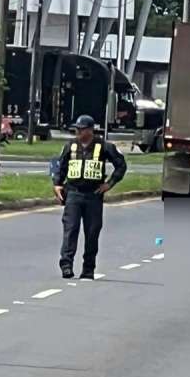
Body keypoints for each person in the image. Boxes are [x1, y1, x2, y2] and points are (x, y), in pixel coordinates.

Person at [52, 115, 127, 279]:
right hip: (73, 193)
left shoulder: (104, 146)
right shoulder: (70, 146)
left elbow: (121, 165)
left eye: (82, 129)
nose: (78, 132)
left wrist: (109, 183)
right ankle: (66, 265)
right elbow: (60, 166)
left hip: (93, 195)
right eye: (77, 129)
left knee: (92, 232)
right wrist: (57, 184)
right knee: (70, 229)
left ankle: (88, 269)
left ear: (91, 130)